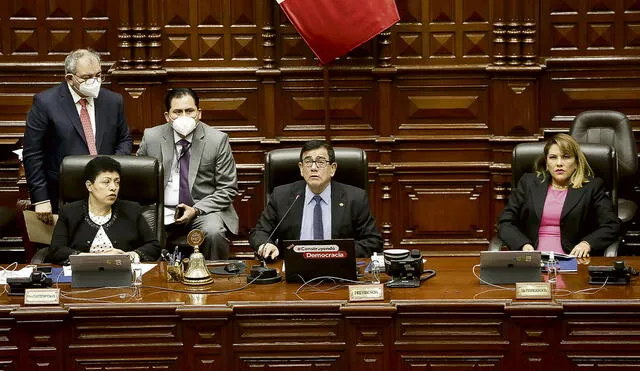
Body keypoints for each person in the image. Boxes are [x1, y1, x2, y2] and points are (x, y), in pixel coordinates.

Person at [23, 49, 133, 224]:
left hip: (107, 194)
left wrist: (109, 173)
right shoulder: (45, 103)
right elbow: (33, 153)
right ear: (70, 78)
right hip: (64, 192)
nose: (95, 81)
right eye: (87, 78)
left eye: (98, 75)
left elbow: (124, 140)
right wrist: (41, 199)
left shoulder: (113, 101)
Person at [137, 88, 239, 260]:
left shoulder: (217, 140)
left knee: (214, 232)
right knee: (138, 229)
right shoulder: (151, 137)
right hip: (160, 210)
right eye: (177, 112)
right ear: (167, 116)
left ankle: (217, 281)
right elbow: (139, 181)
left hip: (202, 210)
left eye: (189, 111)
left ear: (199, 113)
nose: (184, 116)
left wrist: (196, 210)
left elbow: (227, 189)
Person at [250, 140, 383, 260]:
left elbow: (373, 241)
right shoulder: (281, 196)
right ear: (301, 169)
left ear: (333, 168)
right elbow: (260, 232)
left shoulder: (355, 198)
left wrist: (338, 252)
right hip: (292, 271)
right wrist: (266, 244)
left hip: (338, 268)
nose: (313, 167)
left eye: (320, 162)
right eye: (308, 162)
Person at [497, 133, 620, 258]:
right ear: (546, 163)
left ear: (577, 162)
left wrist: (586, 244)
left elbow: (611, 225)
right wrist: (523, 245)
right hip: (532, 259)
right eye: (553, 157)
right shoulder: (528, 183)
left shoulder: (592, 187)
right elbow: (505, 222)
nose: (559, 163)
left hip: (573, 259)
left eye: (566, 157)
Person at [46, 156, 160, 265]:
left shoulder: (132, 210)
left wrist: (128, 256)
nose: (113, 187)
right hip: (82, 275)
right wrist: (91, 259)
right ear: (89, 186)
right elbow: (56, 250)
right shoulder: (69, 212)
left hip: (123, 275)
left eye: (117, 182)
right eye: (106, 182)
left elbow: (154, 246)